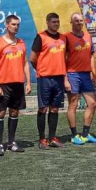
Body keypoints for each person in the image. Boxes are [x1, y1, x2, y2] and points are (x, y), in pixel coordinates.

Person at [0, 14, 31, 155]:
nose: (16, 27)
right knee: (0, 113)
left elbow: (25, 63)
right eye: (13, 24)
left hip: (18, 84)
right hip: (3, 84)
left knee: (14, 112)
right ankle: (0, 145)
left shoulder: (21, 43)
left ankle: (11, 142)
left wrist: (28, 82)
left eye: (18, 24)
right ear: (7, 25)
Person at [30, 13, 68, 149]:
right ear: (47, 22)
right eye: (53, 22)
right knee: (43, 108)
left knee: (55, 108)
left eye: (57, 21)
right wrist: (42, 69)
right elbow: (32, 58)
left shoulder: (64, 38)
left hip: (59, 78)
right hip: (45, 78)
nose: (56, 24)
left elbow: (66, 57)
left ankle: (52, 138)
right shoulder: (40, 37)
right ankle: (42, 139)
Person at [63, 12, 96, 144]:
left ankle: (85, 134)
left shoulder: (88, 36)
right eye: (76, 21)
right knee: (73, 104)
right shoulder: (67, 37)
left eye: (81, 20)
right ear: (71, 23)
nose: (79, 23)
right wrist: (65, 79)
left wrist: (93, 73)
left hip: (86, 75)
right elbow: (62, 59)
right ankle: (74, 135)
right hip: (72, 74)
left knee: (93, 103)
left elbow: (91, 56)